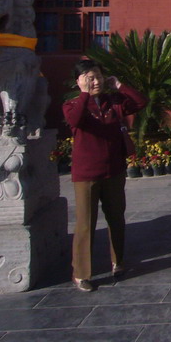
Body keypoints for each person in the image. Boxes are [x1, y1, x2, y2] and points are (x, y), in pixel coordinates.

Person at [62, 59, 147, 292]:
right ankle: (81, 273)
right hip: (87, 174)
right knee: (85, 224)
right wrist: (84, 95)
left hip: (114, 170)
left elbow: (140, 102)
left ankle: (117, 262)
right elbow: (75, 121)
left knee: (116, 217)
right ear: (78, 81)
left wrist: (120, 86)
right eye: (89, 77)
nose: (95, 81)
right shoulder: (72, 105)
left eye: (98, 76)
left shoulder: (113, 103)